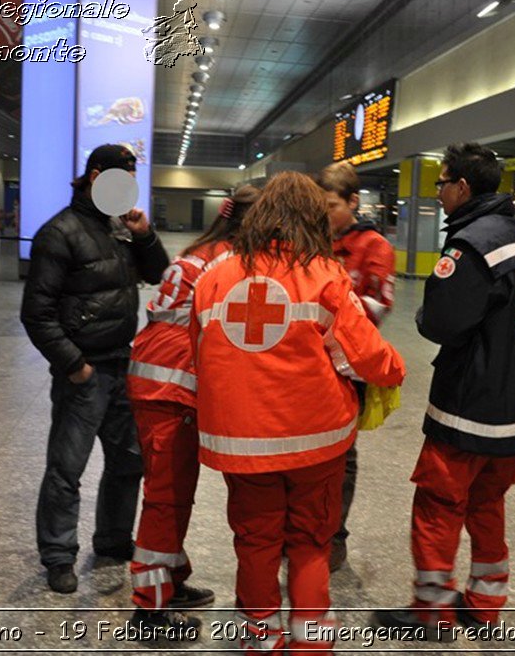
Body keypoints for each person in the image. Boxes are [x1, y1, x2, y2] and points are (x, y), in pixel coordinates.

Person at [191, 172, 406, 652]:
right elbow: (365, 355)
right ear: (313, 218)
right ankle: (310, 645)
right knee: (310, 543)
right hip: (315, 442)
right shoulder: (324, 274)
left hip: (240, 442)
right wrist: (396, 371)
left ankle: (260, 639)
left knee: (255, 542)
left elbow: (198, 351)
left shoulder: (214, 276)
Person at [377, 143, 515, 633]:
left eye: (441, 183)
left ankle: (430, 609)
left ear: (463, 187)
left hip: (467, 403)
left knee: (439, 501)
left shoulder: (472, 245)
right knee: (488, 503)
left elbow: (439, 321)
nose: (437, 194)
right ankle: (484, 603)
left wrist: (421, 312)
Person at [20, 144, 169, 593]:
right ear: (95, 176)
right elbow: (36, 314)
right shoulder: (59, 233)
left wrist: (143, 235)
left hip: (123, 363)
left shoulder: (119, 229)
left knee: (129, 462)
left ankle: (112, 540)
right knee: (67, 468)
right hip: (84, 371)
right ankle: (58, 555)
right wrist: (75, 366)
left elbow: (159, 273)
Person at [125, 184, 261, 637]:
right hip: (172, 389)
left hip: (154, 381)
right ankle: (150, 610)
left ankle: (171, 580)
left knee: (170, 492)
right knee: (166, 499)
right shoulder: (232, 265)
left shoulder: (200, 252)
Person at [316, 161, 395, 571]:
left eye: (331, 205)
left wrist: (329, 306)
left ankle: (334, 536)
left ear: (352, 202)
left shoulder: (373, 247)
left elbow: (377, 308)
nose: (324, 214)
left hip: (347, 368)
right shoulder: (310, 241)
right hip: (307, 366)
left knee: (342, 455)